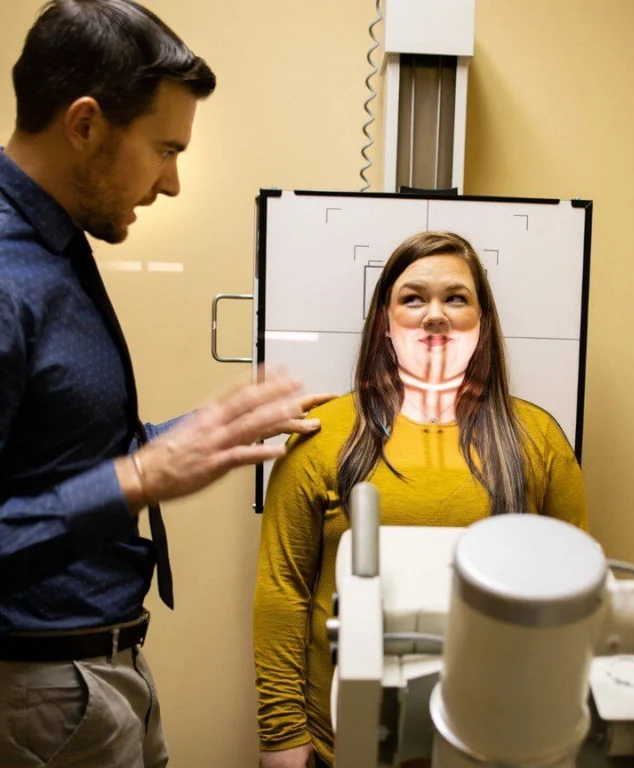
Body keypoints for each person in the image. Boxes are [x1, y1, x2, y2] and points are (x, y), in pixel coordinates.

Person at [0, 2, 330, 766]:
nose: (173, 183)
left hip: (102, 673)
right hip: (39, 692)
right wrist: (140, 476)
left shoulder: (56, 243)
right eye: (164, 149)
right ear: (85, 124)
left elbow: (53, 459)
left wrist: (193, 436)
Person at [253, 231, 588, 767]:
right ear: (386, 321)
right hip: (340, 744)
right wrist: (282, 735)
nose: (435, 314)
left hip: (493, 741)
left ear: (482, 320)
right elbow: (282, 592)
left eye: (456, 297)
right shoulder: (323, 435)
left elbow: (572, 601)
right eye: (413, 297)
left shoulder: (537, 439)